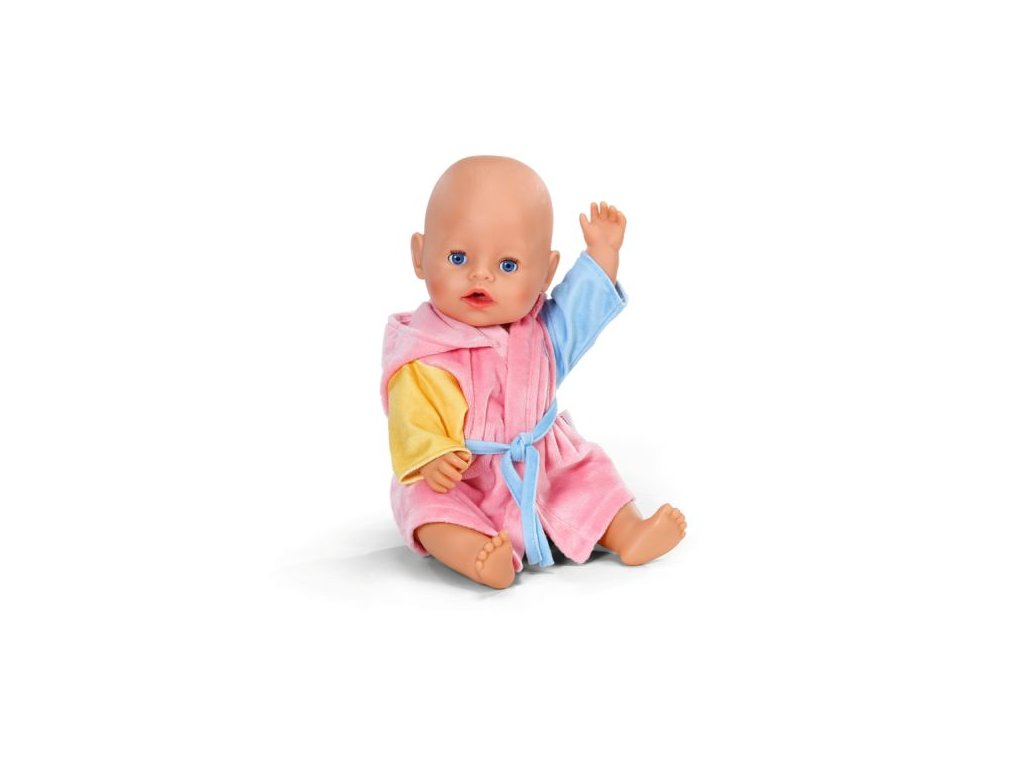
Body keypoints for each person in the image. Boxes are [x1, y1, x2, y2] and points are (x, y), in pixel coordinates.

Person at [380, 155, 686, 589]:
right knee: (430, 510)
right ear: (419, 255)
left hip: (545, 466)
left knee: (591, 478)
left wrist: (602, 255)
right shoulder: (424, 349)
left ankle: (629, 531)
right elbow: (412, 415)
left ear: (546, 272)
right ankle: (474, 555)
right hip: (462, 475)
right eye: (458, 256)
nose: (480, 274)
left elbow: (577, 314)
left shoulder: (541, 334)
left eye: (507, 265)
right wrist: (431, 456)